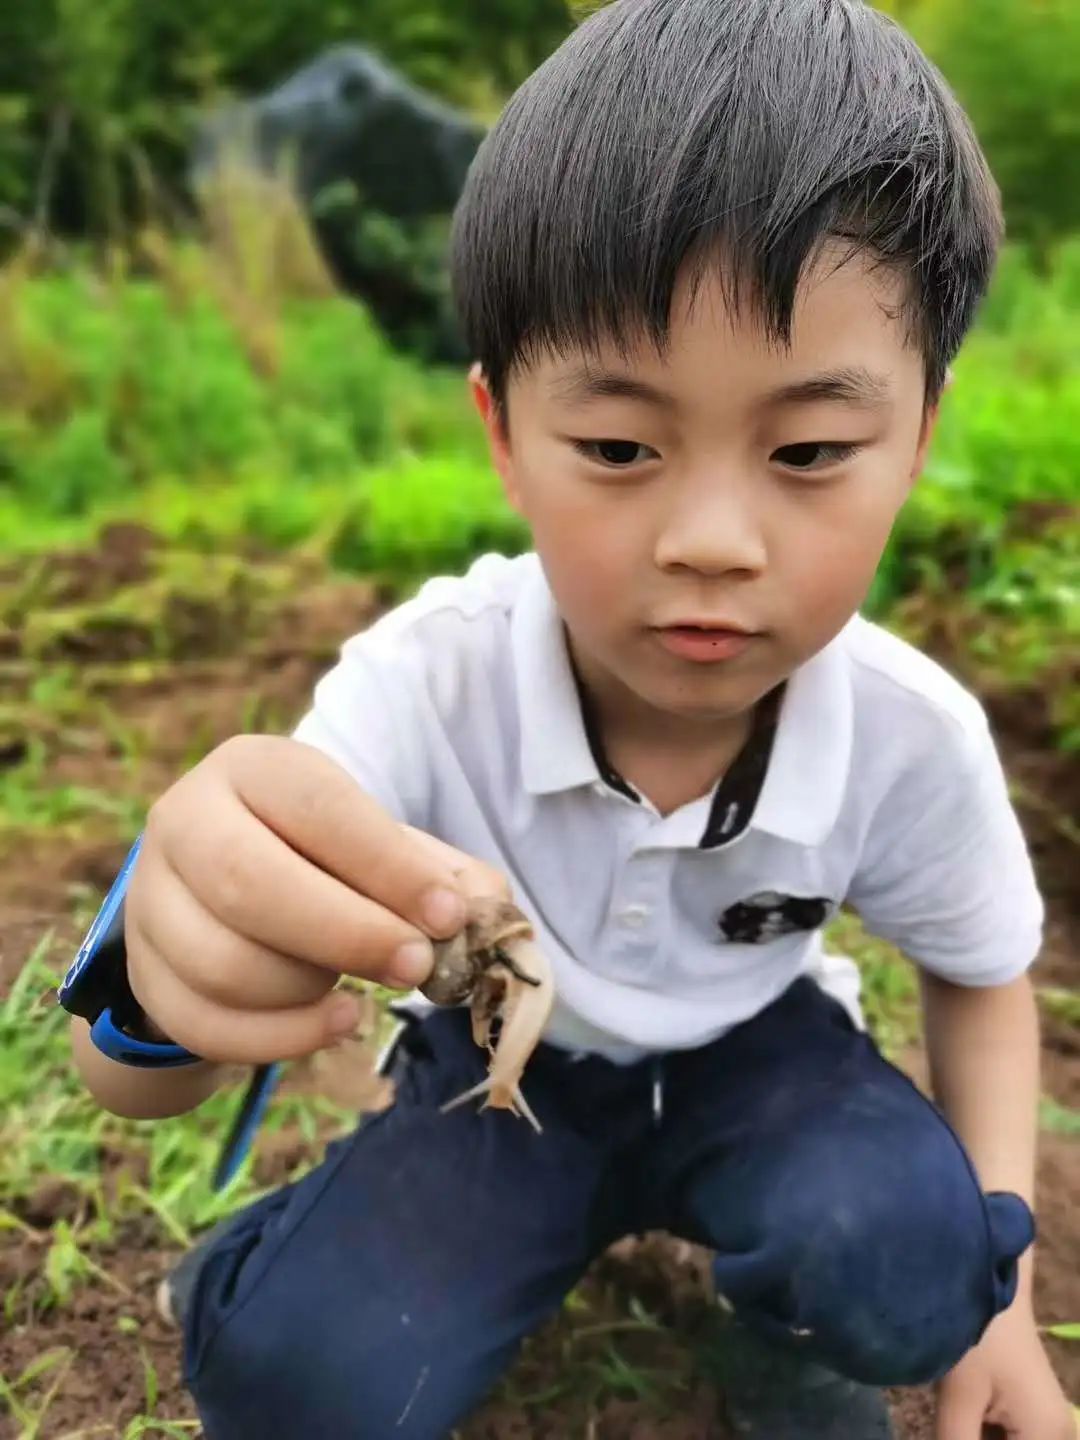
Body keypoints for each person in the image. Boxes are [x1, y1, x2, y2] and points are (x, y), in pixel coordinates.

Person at [67, 1, 1074, 1436]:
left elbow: (981, 976)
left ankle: (783, 1337)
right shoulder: (426, 683)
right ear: (502, 435)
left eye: (808, 449)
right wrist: (160, 974)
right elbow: (165, 1016)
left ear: (915, 438)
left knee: (926, 1267)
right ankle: (258, 1273)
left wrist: (1007, 1304)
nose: (712, 540)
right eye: (616, 444)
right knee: (305, 1386)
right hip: (498, 1070)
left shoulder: (909, 733)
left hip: (760, 1063)